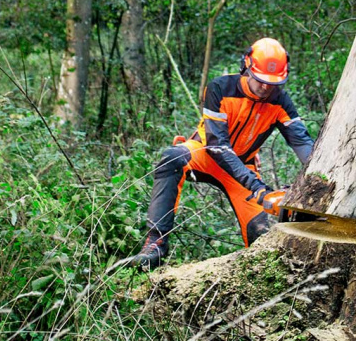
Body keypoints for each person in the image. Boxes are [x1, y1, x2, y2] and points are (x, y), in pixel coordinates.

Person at [130, 37, 315, 270]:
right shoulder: (220, 88)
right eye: (261, 80)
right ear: (247, 66)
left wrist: (313, 181)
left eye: (273, 83)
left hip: (241, 167)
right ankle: (154, 246)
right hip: (205, 153)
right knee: (173, 157)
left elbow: (303, 144)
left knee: (260, 234)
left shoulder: (281, 102)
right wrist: (258, 187)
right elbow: (218, 146)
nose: (266, 87)